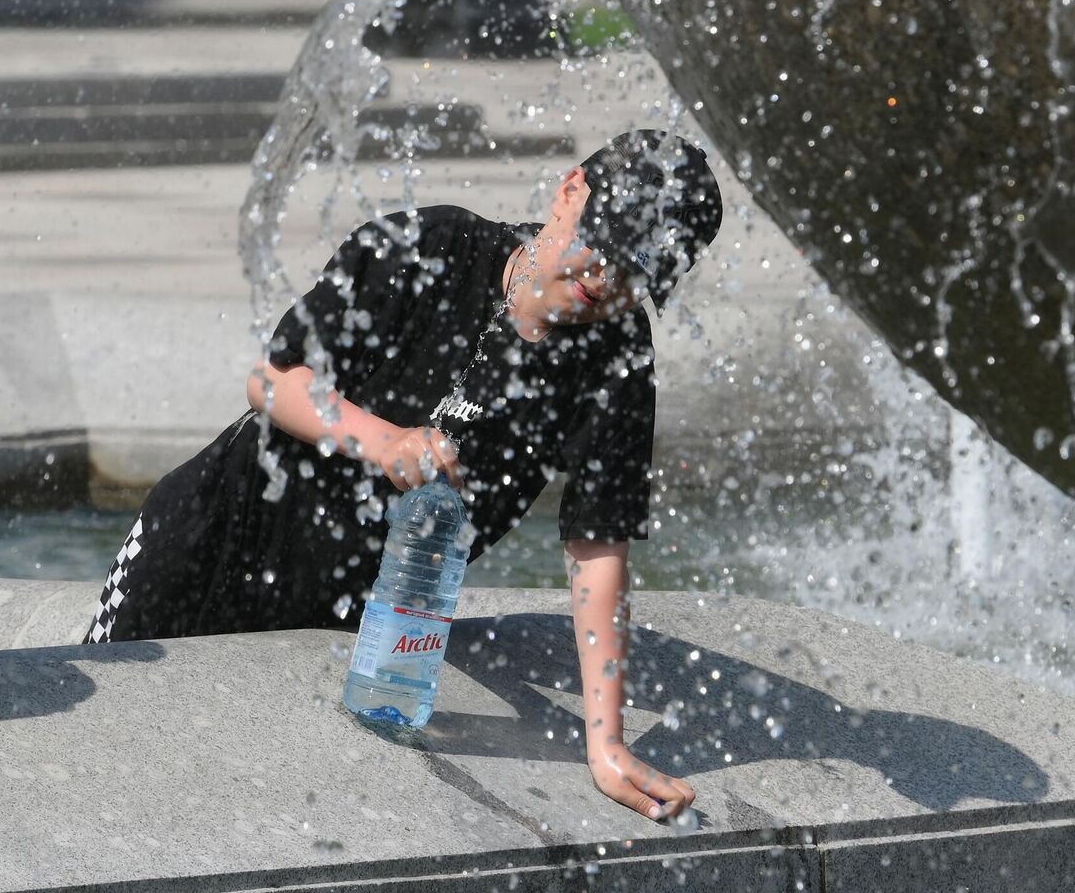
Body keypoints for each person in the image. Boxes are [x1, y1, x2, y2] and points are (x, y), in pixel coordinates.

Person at [86, 130, 723, 821]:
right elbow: (274, 380)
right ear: (570, 190)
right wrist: (384, 441)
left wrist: (606, 743)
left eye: (635, 274)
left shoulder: (614, 356)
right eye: (599, 247)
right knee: (100, 753)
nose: (605, 280)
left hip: (357, 609)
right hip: (212, 539)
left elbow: (597, 546)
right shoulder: (431, 248)